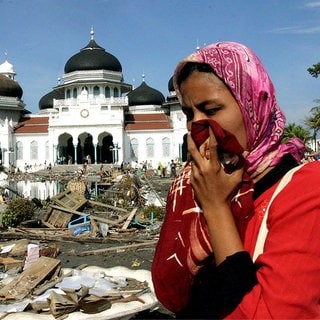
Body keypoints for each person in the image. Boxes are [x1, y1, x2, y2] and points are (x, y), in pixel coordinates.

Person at [151, 42, 320, 319]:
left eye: (212, 109)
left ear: (253, 104)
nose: (198, 126)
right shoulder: (204, 184)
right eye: (189, 114)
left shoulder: (305, 189)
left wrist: (216, 208)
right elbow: (177, 295)